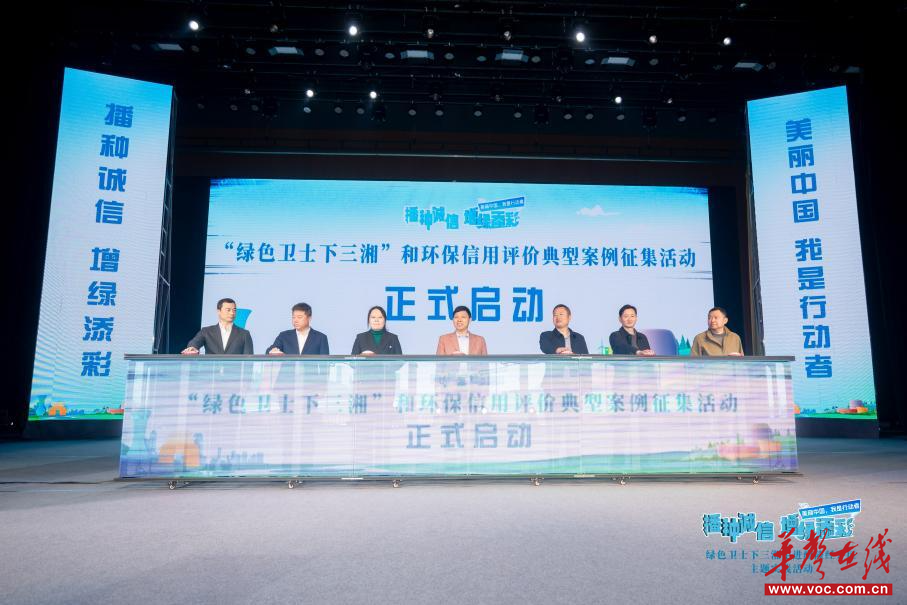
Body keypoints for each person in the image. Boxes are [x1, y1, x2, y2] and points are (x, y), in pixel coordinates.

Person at [182, 298, 253, 354]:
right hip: (212, 368)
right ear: (219, 311)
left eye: (234, 310)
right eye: (228, 310)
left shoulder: (244, 334)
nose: (232, 313)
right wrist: (192, 348)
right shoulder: (206, 331)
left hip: (233, 369)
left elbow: (249, 358)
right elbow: (195, 343)